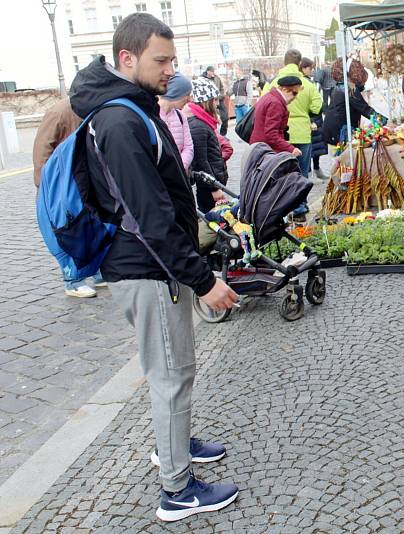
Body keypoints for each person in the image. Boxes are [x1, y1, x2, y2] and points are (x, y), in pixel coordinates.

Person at [69, 12, 239, 521]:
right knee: (171, 374)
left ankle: (176, 444)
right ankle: (177, 488)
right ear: (128, 58)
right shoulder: (119, 121)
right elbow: (149, 216)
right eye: (161, 60)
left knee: (170, 369)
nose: (171, 69)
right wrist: (203, 280)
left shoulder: (128, 109)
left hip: (151, 266)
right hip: (147, 269)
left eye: (172, 59)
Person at [33, 98, 106, 298]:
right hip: (63, 185)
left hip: (82, 180)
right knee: (67, 229)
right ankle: (72, 280)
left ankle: (97, 272)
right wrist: (49, 189)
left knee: (91, 226)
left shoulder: (94, 108)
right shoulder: (59, 113)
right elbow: (42, 151)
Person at [265, 49, 323, 179]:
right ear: (300, 63)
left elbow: (261, 107)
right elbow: (317, 107)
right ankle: (302, 200)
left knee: (282, 176)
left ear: (284, 62)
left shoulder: (272, 83)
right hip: (302, 133)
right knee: (302, 175)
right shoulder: (308, 84)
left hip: (280, 136)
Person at [185, 77, 228, 212]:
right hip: (209, 187)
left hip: (213, 182)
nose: (217, 104)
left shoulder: (203, 121)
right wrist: (214, 188)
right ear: (206, 101)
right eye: (214, 100)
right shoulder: (198, 125)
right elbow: (201, 161)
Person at [321, 59, 383, 147]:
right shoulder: (349, 88)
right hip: (338, 133)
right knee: (343, 159)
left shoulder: (342, 85)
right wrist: (383, 121)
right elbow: (365, 109)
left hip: (335, 131)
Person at [250, 75, 303, 156]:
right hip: (266, 149)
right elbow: (271, 134)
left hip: (260, 146)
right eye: (294, 93)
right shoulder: (276, 103)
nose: (295, 97)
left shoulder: (269, 97)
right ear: (284, 89)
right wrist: (291, 149)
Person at [158, 72, 194, 171]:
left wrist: (178, 169)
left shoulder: (180, 116)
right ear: (175, 93)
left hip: (179, 177)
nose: (189, 99)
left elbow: (189, 147)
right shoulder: (153, 116)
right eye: (186, 95)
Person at [301, 57, 327, 180]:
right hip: (310, 118)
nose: (312, 70)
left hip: (315, 117)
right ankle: (310, 172)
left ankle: (316, 169)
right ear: (303, 68)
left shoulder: (310, 81)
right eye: (310, 68)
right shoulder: (303, 83)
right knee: (309, 147)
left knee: (316, 148)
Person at [202, 66, 229, 136]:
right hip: (210, 102)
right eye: (212, 71)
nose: (213, 73)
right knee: (213, 119)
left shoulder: (217, 78)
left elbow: (222, 88)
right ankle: (215, 136)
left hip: (219, 100)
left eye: (214, 71)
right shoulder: (202, 79)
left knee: (225, 118)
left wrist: (221, 95)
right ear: (208, 71)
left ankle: (223, 135)